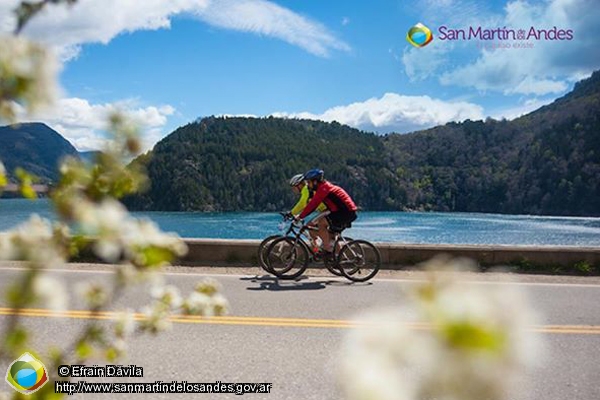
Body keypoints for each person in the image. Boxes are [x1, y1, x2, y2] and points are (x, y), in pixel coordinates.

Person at [297, 169, 357, 256]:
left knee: (322, 223)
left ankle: (327, 249)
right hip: (344, 212)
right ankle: (338, 258)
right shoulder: (323, 187)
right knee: (329, 235)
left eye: (309, 182)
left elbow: (313, 204)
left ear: (315, 182)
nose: (307, 185)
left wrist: (300, 216)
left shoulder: (324, 188)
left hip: (345, 212)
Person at [287, 174, 328, 250]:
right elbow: (306, 206)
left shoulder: (306, 189)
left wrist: (291, 213)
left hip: (326, 210)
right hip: (324, 210)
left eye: (294, 188)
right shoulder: (307, 190)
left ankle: (323, 245)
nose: (293, 190)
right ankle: (317, 250)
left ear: (299, 185)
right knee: (311, 230)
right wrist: (298, 214)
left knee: (310, 225)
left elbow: (302, 204)